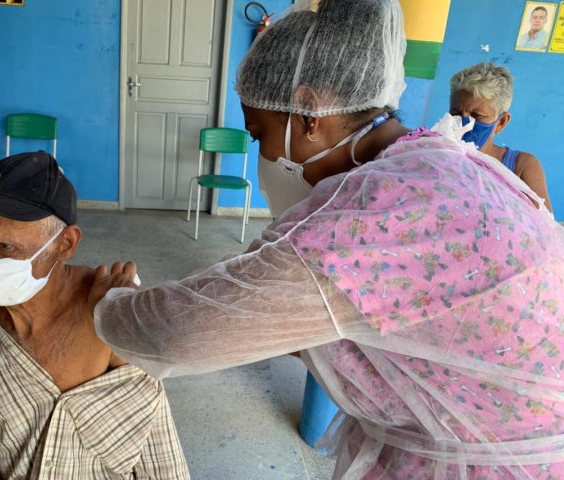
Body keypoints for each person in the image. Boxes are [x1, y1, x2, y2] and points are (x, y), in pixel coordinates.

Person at [89, 1, 564, 478]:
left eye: (258, 134)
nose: (264, 153)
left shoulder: (374, 212)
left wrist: (104, 304)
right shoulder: (437, 161)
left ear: (309, 114)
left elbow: (178, 335)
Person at [0, 151, 189, 479]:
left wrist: (126, 328)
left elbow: (151, 442)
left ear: (65, 244)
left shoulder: (107, 312)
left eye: (5, 247)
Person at [450, 62, 552, 212]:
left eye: (476, 115)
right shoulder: (436, 154)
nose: (464, 122)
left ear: (501, 122)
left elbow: (543, 223)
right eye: (455, 114)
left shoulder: (522, 166)